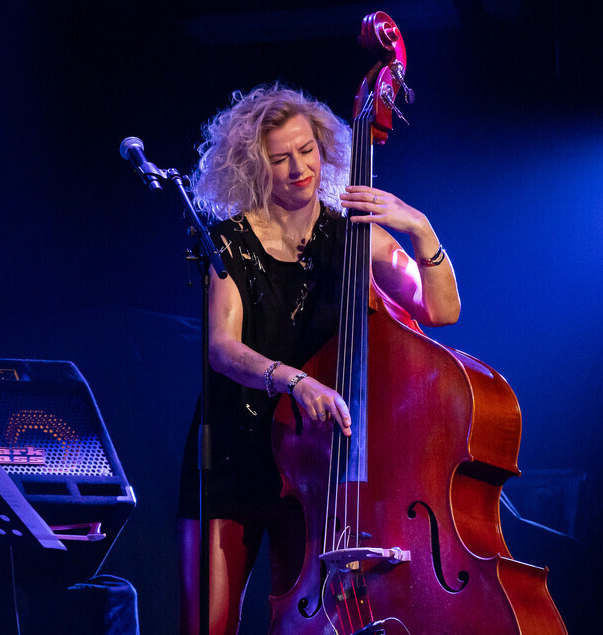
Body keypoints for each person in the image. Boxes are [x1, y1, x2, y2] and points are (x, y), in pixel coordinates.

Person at [177, 84, 460, 635]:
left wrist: (420, 228)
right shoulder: (228, 242)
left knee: (305, 619)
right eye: (280, 158)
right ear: (254, 168)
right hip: (232, 455)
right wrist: (295, 380)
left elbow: (441, 310)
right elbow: (222, 348)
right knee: (207, 627)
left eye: (307, 151)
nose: (299, 169)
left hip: (312, 468)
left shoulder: (352, 237)